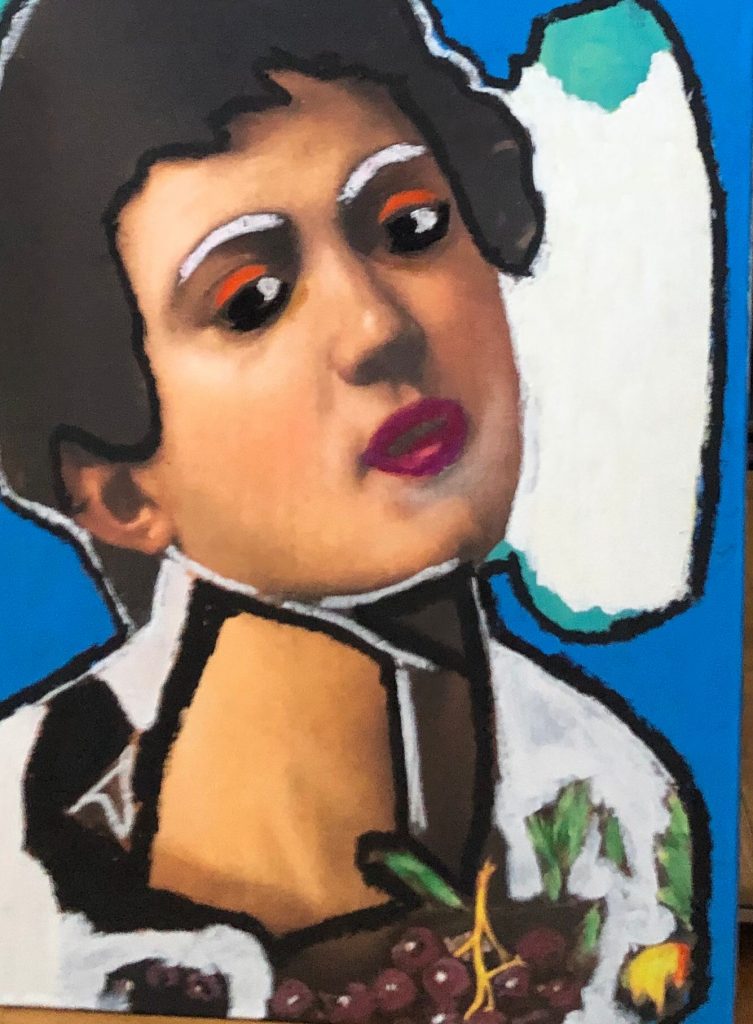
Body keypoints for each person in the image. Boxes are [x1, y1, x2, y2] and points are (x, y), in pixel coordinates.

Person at [0, 0, 706, 1020]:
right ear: (116, 488)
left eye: (411, 226)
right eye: (251, 300)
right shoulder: (23, 883)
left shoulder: (618, 813)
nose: (377, 327)